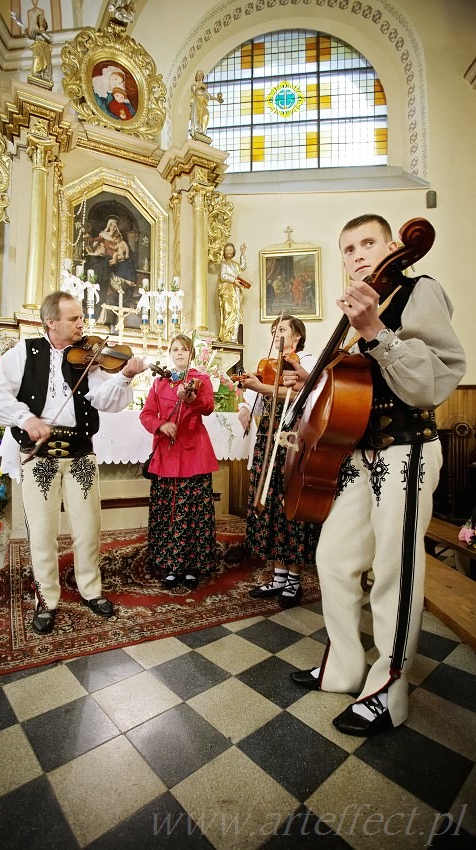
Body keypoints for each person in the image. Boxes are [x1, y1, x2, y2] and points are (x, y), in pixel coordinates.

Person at [290, 214, 466, 736]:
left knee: (396, 568)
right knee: (334, 557)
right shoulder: (354, 313)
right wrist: (315, 380)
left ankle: (390, 687)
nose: (358, 254)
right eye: (347, 249)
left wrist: (374, 331)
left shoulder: (418, 289)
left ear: (392, 246)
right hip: (361, 456)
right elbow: (354, 390)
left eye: (368, 243)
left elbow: (432, 382)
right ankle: (345, 666)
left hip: (407, 450)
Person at [0, 291, 147, 635]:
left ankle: (91, 590)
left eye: (81, 318)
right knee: (42, 533)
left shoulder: (85, 357)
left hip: (80, 454)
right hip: (39, 456)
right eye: (73, 319)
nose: (81, 324)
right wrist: (25, 419)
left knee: (88, 528)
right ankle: (47, 599)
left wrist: (125, 376)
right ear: (51, 322)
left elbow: (106, 400)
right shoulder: (24, 353)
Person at [239, 316, 320, 608]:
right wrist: (245, 403)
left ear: (297, 336)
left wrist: (260, 388)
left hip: (292, 436)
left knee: (289, 500)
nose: (276, 334)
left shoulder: (307, 361)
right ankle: (278, 575)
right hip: (268, 435)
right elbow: (257, 397)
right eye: (274, 330)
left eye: (282, 330)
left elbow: (302, 392)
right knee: (270, 500)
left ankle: (295, 579)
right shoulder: (268, 363)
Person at [139, 334, 219, 590]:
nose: (179, 353)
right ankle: (172, 566)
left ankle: (194, 566)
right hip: (167, 453)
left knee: (194, 510)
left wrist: (192, 399)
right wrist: (161, 425)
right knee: (169, 510)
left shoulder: (201, 379)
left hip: (194, 451)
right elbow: (147, 414)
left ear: (191, 353)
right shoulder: (160, 382)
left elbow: (208, 406)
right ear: (170, 354)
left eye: (184, 349)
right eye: (175, 349)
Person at [218, 241, 247, 343]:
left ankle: (234, 337)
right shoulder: (223, 264)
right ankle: (227, 336)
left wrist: (242, 253)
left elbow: (242, 267)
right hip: (227, 292)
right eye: (227, 250)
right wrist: (234, 280)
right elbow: (223, 276)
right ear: (224, 253)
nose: (229, 252)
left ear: (234, 251)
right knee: (228, 312)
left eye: (231, 250)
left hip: (236, 291)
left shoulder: (235, 265)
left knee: (237, 312)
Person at [189, 70, 223, 137]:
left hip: (203, 104)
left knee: (205, 114)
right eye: (198, 74)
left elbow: (209, 96)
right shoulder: (194, 84)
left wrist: (217, 99)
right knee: (197, 115)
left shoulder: (203, 89)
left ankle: (203, 130)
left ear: (202, 76)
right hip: (197, 102)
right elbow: (194, 89)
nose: (199, 75)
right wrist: (201, 85)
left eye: (201, 74)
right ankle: (196, 129)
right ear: (196, 76)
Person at [26, 0, 52, 85]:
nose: (41, 20)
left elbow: (50, 39)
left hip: (45, 48)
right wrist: (29, 32)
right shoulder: (36, 32)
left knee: (46, 64)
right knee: (37, 58)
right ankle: (36, 74)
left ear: (45, 23)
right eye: (40, 19)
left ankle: (45, 75)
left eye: (42, 19)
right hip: (37, 47)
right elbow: (31, 35)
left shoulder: (45, 34)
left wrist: (41, 33)